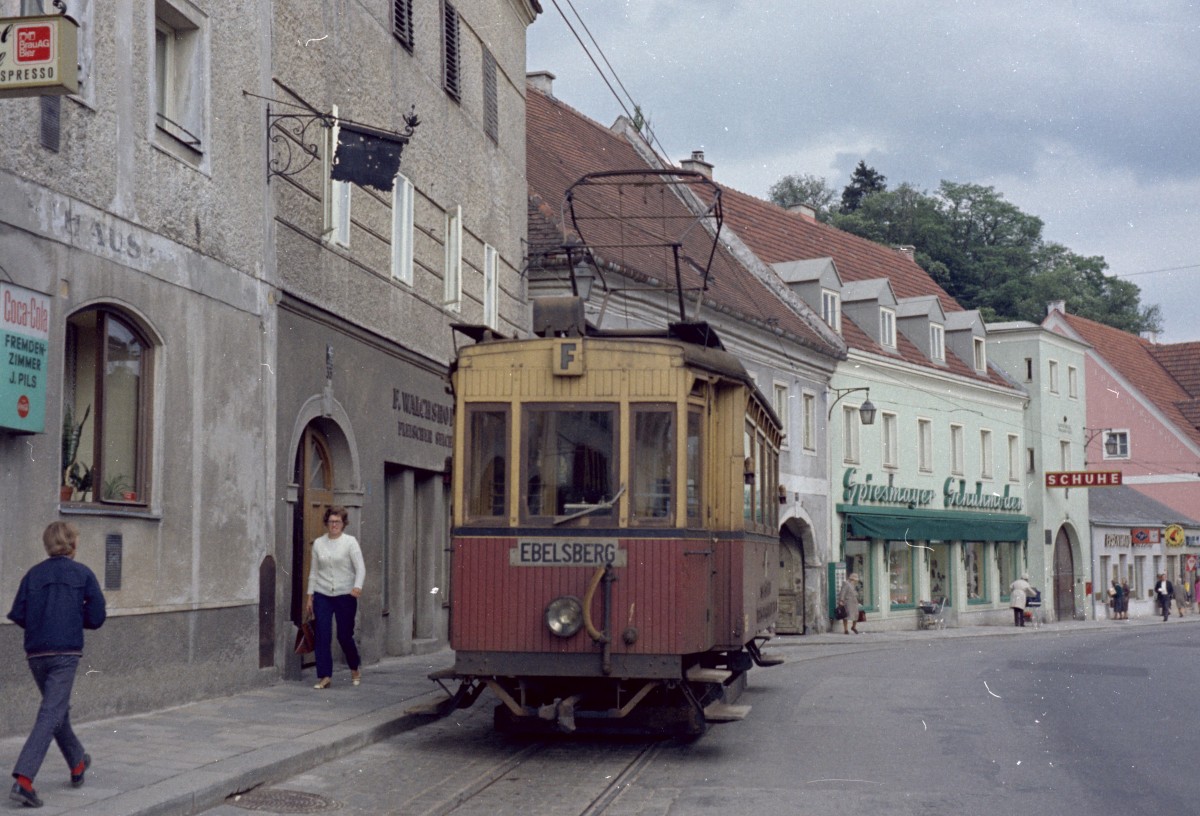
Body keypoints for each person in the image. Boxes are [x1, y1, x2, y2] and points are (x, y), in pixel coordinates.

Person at [7, 522, 106, 809]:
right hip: (65, 653)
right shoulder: (82, 573)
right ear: (72, 544)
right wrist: (71, 618)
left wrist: (42, 622)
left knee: (55, 709)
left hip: (36, 654)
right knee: (51, 712)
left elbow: (19, 613)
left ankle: (77, 762)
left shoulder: (33, 574)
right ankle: (24, 780)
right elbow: (96, 617)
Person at [306, 506, 365, 689]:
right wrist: (310, 596)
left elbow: (360, 568)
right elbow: (314, 572)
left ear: (343, 523)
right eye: (331, 521)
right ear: (327, 523)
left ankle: (354, 667)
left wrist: (357, 586)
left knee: (344, 636)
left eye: (337, 522)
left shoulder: (350, 542)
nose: (334, 525)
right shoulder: (319, 543)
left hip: (345, 594)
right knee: (322, 634)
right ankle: (325, 676)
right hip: (322, 593)